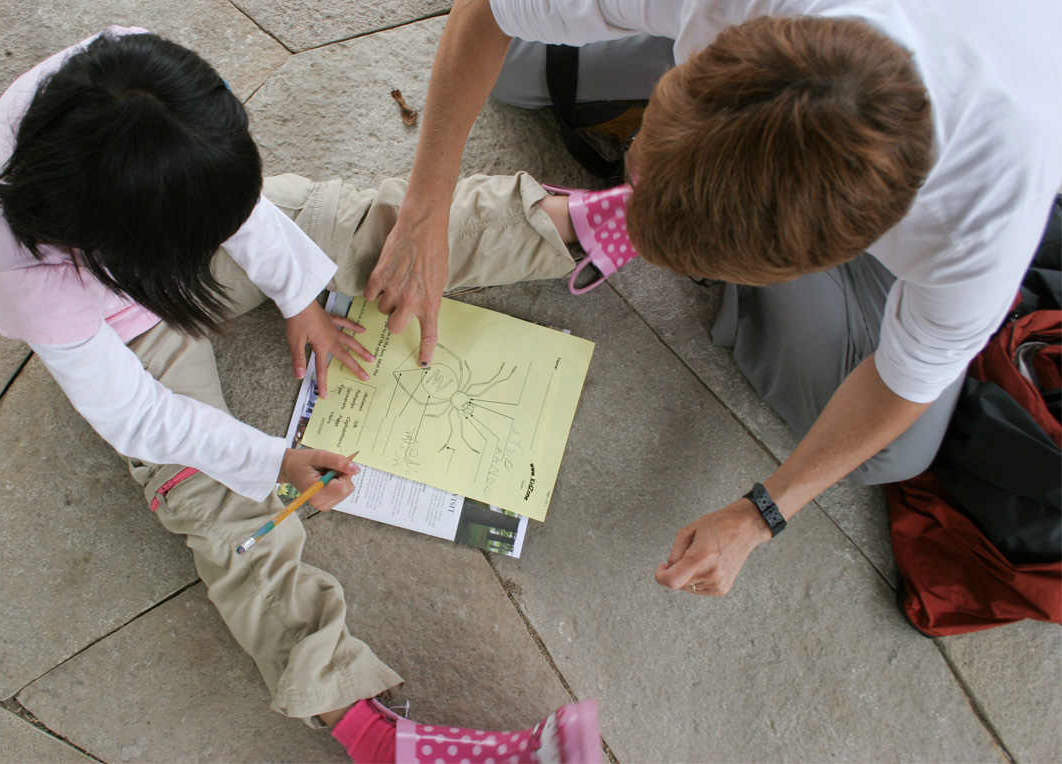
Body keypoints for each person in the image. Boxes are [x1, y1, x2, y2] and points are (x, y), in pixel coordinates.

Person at [0, 27, 602, 764]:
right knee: (215, 509)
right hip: (131, 333)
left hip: (166, 230)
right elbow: (138, 415)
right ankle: (367, 726)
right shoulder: (28, 278)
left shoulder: (137, 76)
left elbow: (245, 212)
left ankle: (578, 225)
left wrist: (301, 295)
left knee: (362, 227)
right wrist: (274, 460)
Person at [368, 0, 1062, 597]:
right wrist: (427, 206)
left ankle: (643, 225)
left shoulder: (983, 220)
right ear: (705, 60)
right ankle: (631, 213)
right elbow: (485, 11)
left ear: (827, 255)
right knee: (515, 64)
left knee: (893, 455)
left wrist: (761, 514)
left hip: (969, 154)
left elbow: (902, 387)